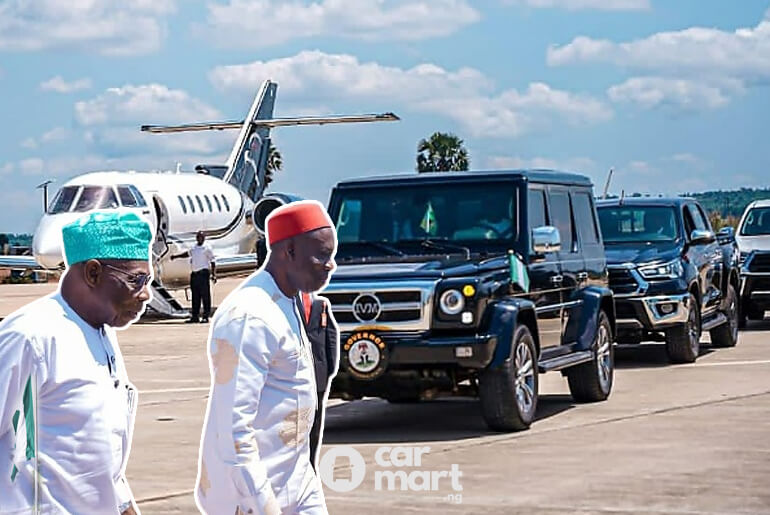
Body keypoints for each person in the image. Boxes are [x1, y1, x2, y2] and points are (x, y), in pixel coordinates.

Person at [0, 210, 152, 514]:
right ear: (93, 273)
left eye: (148, 280)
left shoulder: (100, 333)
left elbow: (96, 455)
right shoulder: (30, 337)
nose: (146, 294)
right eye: (136, 280)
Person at [195, 200, 336, 515]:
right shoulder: (251, 315)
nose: (330, 265)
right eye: (322, 255)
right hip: (247, 497)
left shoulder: (288, 300)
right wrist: (263, 505)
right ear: (289, 252)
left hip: (295, 481)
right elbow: (234, 429)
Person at [298, 291, 339, 470]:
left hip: (318, 373)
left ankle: (311, 465)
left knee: (315, 425)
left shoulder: (321, 305)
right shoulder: (286, 306)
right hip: (295, 374)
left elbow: (331, 337)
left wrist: (329, 368)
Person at [171, 230, 216, 323]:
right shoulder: (194, 248)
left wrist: (213, 274)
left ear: (204, 238)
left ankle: (205, 316)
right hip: (195, 275)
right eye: (198, 237)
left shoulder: (207, 248)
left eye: (201, 237)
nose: (199, 239)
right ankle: (195, 316)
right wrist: (176, 256)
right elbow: (187, 254)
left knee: (205, 296)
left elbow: (213, 261)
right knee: (195, 297)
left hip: (203, 274)